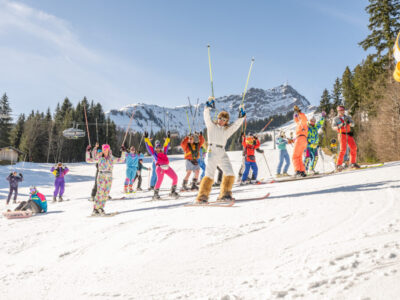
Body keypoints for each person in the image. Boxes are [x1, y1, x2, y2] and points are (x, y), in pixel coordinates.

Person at [196, 96, 245, 203]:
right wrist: (208, 107)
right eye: (220, 118)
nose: (221, 121)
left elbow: (236, 126)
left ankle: (225, 193)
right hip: (212, 151)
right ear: (217, 118)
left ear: (226, 121)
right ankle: (202, 196)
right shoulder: (211, 126)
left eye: (224, 120)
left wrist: (241, 116)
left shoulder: (227, 130)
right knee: (209, 174)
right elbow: (206, 117)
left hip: (222, 152)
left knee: (230, 173)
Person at [86, 144, 126, 216]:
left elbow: (122, 160)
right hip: (101, 176)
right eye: (104, 149)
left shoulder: (112, 158)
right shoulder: (99, 157)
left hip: (109, 177)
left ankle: (101, 208)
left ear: (109, 149)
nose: (105, 150)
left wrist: (123, 151)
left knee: (106, 194)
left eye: (106, 149)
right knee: (100, 192)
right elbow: (88, 160)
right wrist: (87, 152)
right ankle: (95, 209)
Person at [144, 131, 179, 200]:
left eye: (159, 147)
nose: (158, 148)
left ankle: (173, 192)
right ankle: (155, 194)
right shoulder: (154, 154)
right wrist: (146, 139)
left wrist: (168, 138)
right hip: (160, 168)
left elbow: (166, 145)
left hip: (166, 167)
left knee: (175, 177)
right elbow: (149, 147)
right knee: (159, 180)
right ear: (155, 148)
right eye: (157, 147)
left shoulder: (164, 152)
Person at [332, 105, 360, 171]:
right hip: (342, 134)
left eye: (342, 110)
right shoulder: (336, 119)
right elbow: (333, 127)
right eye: (340, 110)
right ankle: (338, 164)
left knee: (354, 147)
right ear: (338, 111)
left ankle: (352, 163)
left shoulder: (347, 117)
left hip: (349, 134)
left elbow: (353, 124)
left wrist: (349, 123)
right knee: (343, 149)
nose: (341, 111)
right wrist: (339, 126)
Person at [292, 105, 308, 177]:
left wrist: (299, 112)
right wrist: (295, 114)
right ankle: (302, 171)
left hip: (300, 139)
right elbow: (296, 120)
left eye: (297, 116)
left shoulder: (302, 122)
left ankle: (297, 171)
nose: (297, 117)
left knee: (295, 156)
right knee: (299, 157)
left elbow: (304, 118)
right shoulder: (299, 123)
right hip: (303, 140)